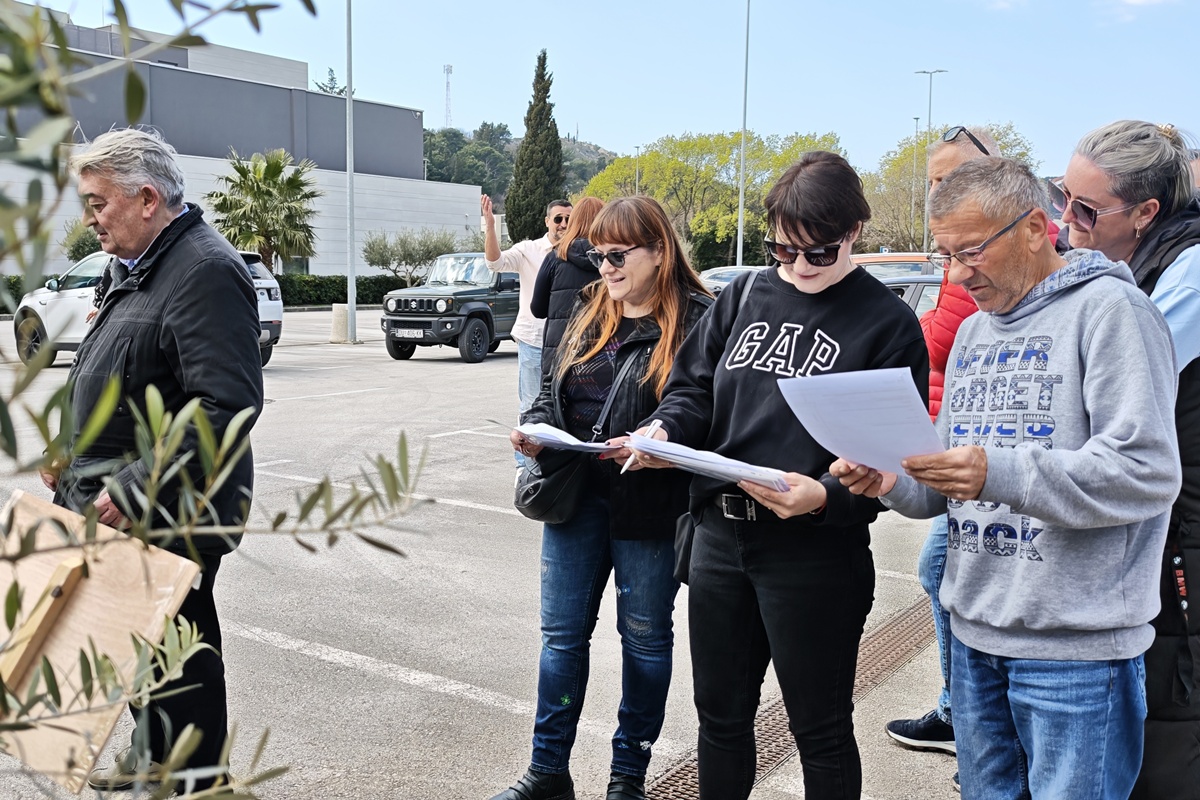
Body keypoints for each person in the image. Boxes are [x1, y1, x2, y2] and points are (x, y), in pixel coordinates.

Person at [834, 156, 1182, 800]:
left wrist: (998, 472)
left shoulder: (1112, 311)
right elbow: (944, 485)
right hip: (972, 639)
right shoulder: (971, 333)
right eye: (946, 256)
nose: (958, 274)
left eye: (971, 252)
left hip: (1078, 654)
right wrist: (889, 479)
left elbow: (1145, 471)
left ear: (1033, 228)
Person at [630, 151, 929, 800]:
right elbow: (691, 390)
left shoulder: (888, 323)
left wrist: (825, 496)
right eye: (782, 249)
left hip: (813, 552)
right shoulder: (743, 295)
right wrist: (664, 431)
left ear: (854, 230)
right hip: (719, 537)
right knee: (720, 720)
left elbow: (895, 463)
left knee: (819, 728)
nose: (799, 266)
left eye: (818, 251)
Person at [43, 128, 264, 792]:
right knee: (137, 654)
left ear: (146, 198)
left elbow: (225, 405)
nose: (91, 219)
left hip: (170, 514)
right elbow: (118, 370)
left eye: (98, 203)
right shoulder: (134, 267)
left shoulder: (203, 270)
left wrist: (136, 486)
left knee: (176, 670)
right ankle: (152, 764)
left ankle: (193, 781)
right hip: (115, 505)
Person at [490, 196, 712, 800]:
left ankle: (627, 778)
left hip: (651, 504)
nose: (605, 267)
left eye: (618, 256)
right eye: (598, 256)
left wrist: (661, 442)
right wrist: (536, 429)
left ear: (659, 252)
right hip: (575, 494)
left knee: (644, 639)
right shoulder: (590, 306)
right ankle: (547, 771)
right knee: (561, 637)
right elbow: (549, 391)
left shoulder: (699, 318)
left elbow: (704, 409)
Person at [1059, 120, 1200, 799]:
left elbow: (1102, 390)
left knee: (1168, 731)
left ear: (1146, 212)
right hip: (1143, 527)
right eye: (1062, 197)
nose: (1066, 221)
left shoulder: (1187, 275)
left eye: (1086, 209)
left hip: (1179, 538)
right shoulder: (1122, 270)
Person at [885, 125, 998, 761]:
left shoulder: (978, 266)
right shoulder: (960, 261)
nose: (937, 190)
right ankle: (969, 716)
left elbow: (938, 341)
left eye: (949, 177)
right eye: (932, 180)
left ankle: (966, 715)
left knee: (940, 569)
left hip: (973, 458)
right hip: (946, 443)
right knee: (942, 570)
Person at [483, 195, 572, 465]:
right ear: (547, 221)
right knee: (532, 404)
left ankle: (556, 469)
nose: (563, 224)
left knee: (566, 406)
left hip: (569, 345)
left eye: (569, 219)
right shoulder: (529, 250)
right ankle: (526, 468)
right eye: (558, 219)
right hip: (534, 341)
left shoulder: (578, 253)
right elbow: (495, 262)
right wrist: (490, 226)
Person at [530, 196, 604, 376]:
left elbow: (538, 310)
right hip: (601, 349)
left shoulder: (555, 256)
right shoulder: (612, 259)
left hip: (560, 353)